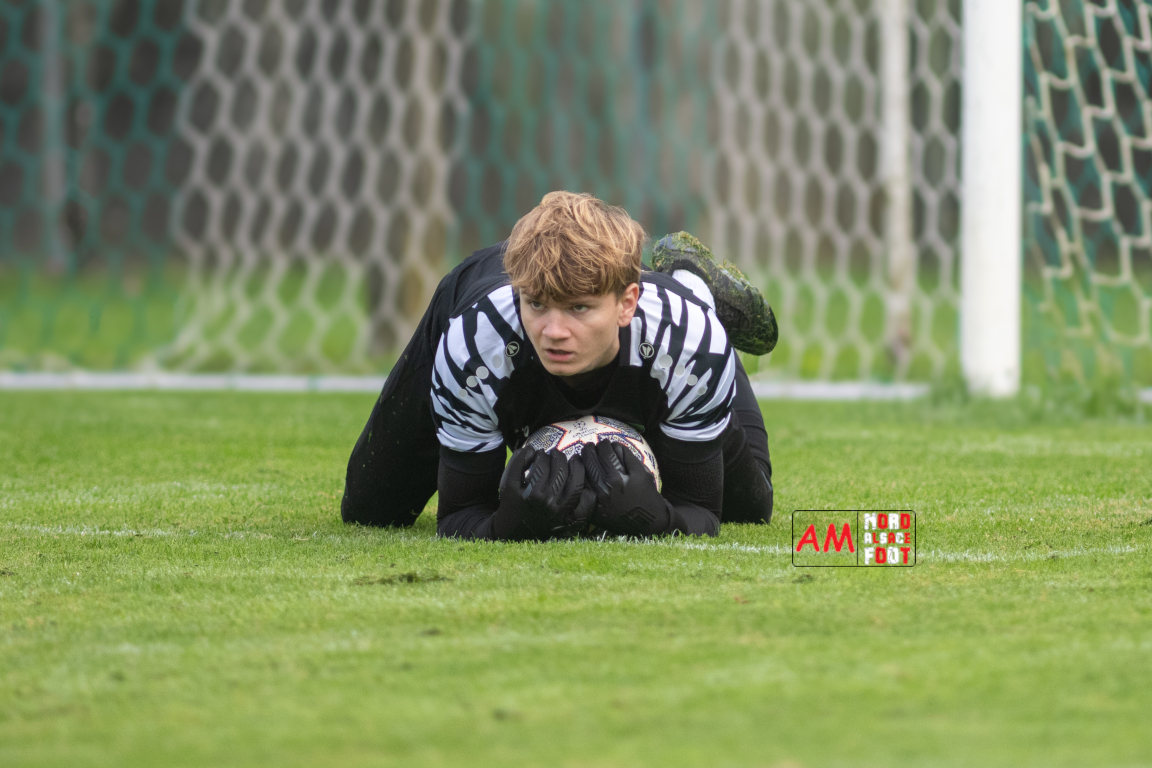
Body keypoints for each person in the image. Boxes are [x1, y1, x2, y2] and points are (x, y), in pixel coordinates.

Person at [340, 192, 777, 540]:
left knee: (750, 508)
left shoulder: (684, 338)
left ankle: (693, 287)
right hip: (477, 309)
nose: (553, 331)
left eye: (578, 308)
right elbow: (460, 515)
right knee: (371, 510)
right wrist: (506, 525)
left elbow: (700, 510)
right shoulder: (476, 341)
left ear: (626, 303)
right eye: (536, 305)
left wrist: (659, 519)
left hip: (665, 327)